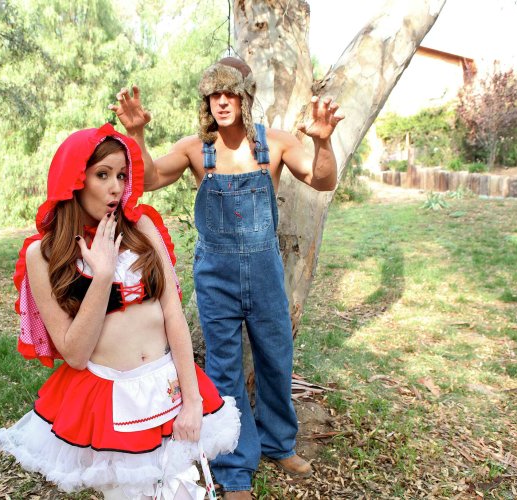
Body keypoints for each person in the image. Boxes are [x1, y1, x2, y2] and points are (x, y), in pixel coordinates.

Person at [110, 57, 344, 499]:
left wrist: (324, 142)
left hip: (265, 270)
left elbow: (322, 180)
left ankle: (279, 443)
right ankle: (234, 466)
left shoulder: (275, 144)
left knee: (276, 356)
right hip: (215, 274)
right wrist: (137, 134)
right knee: (223, 366)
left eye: (230, 92)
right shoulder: (195, 150)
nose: (221, 101)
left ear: (245, 96)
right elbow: (149, 179)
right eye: (214, 94)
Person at [0, 124, 241, 500]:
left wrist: (192, 402)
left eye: (121, 175)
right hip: (107, 400)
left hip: (169, 387)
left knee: (185, 491)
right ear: (74, 180)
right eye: (102, 175)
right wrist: (102, 275)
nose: (115, 187)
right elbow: (75, 354)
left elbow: (173, 314)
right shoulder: (42, 255)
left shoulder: (142, 226)